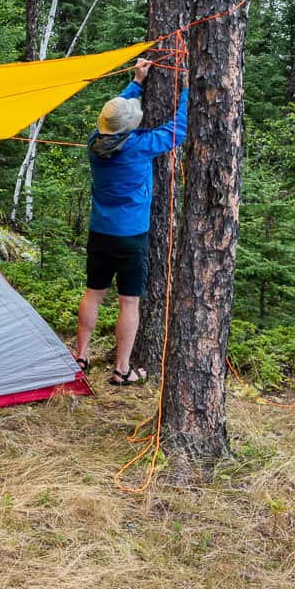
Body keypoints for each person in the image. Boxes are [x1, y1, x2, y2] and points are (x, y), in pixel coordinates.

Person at [73, 58, 188, 385]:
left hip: (100, 232)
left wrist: (137, 82)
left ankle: (80, 357)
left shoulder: (95, 144)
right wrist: (189, 91)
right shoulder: (138, 147)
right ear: (129, 128)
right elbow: (177, 129)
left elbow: (114, 119)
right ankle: (122, 370)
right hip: (131, 237)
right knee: (129, 301)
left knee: (93, 294)